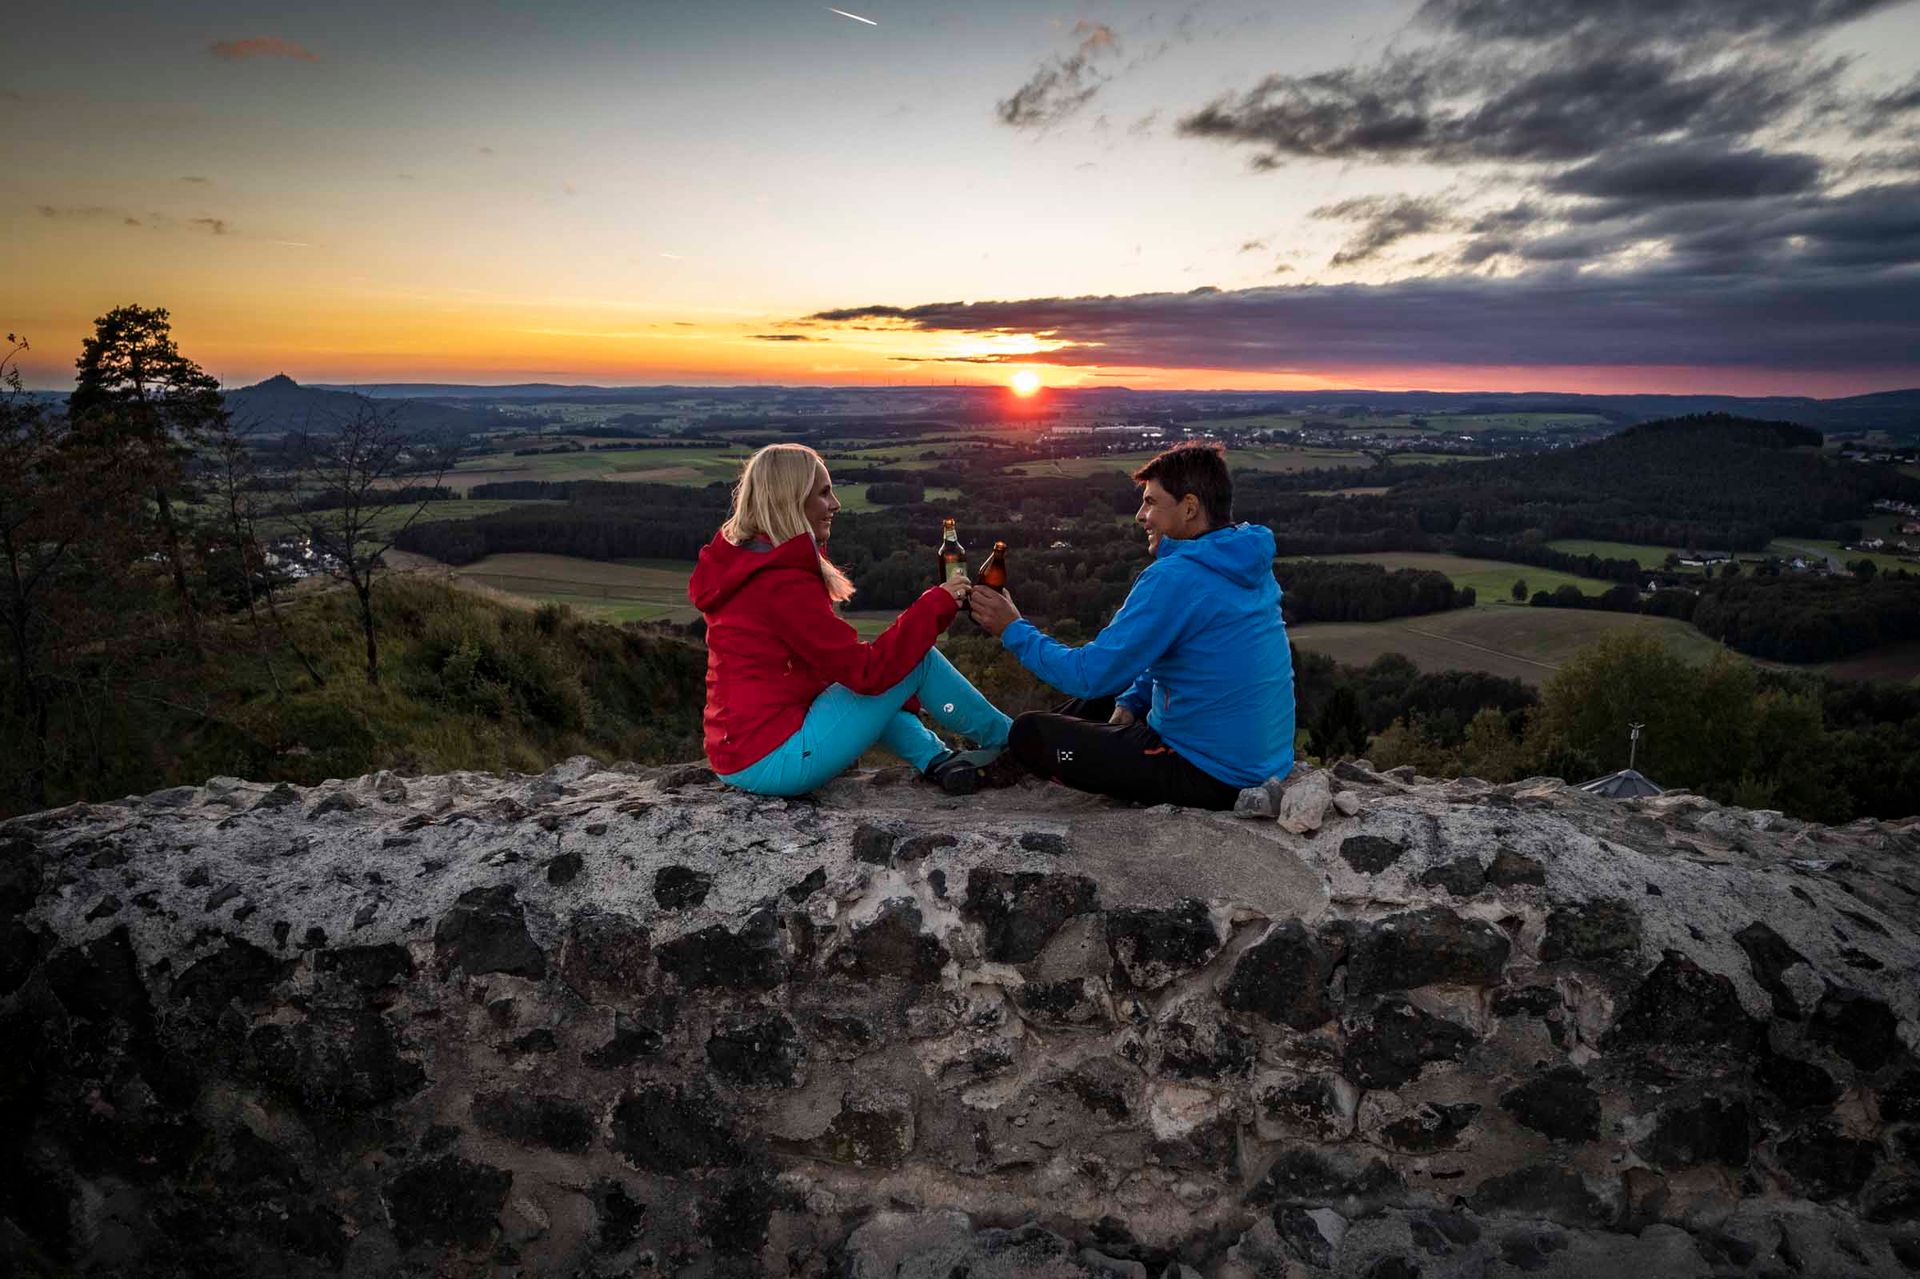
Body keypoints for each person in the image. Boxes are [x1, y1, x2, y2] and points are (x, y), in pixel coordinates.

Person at [967, 441, 1294, 810]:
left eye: (1152, 502)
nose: (1140, 515)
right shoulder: (1244, 561)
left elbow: (1087, 674)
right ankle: (1007, 754)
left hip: (1209, 773)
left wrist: (1012, 628)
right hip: (1262, 762)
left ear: (1189, 508)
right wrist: (1132, 700)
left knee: (1030, 734)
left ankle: (1004, 756)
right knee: (1116, 687)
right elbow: (1191, 654)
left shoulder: (1175, 577)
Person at [689, 443, 1011, 797]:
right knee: (916, 661)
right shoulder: (781, 582)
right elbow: (866, 674)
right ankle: (1016, 743)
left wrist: (892, 689)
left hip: (739, 750)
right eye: (824, 493)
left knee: (886, 675)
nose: (836, 504)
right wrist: (936, 603)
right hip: (772, 759)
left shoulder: (749, 563)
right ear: (792, 499)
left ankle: (936, 759)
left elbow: (838, 674)